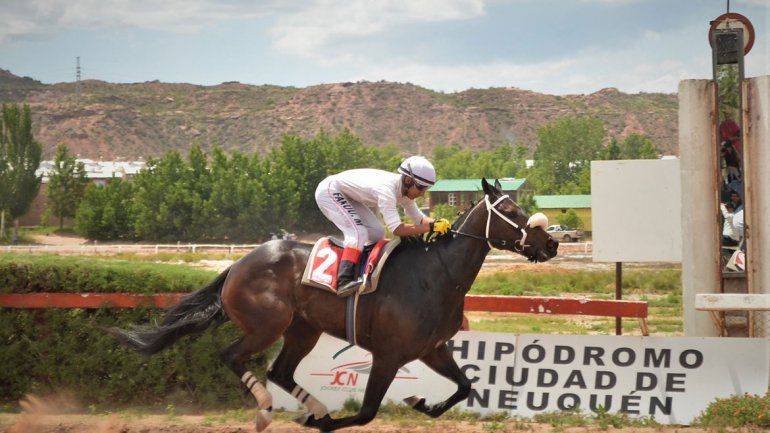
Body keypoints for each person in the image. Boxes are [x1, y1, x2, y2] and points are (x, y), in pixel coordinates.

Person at [315, 156, 450, 296]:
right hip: (329, 191)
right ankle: (344, 280)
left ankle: (360, 266)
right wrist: (431, 227)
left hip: (347, 195)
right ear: (408, 180)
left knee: (377, 232)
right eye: (421, 188)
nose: (422, 194)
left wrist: (439, 224)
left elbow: (419, 219)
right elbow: (397, 230)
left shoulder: (405, 191)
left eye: (425, 189)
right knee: (358, 233)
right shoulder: (387, 191)